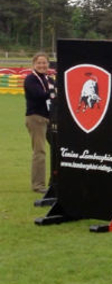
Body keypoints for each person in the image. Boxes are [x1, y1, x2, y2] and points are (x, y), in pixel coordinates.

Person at [23, 52, 55, 193]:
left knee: (56, 148)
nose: (42, 65)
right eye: (39, 63)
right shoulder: (31, 79)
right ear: (34, 65)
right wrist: (54, 92)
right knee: (39, 151)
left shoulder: (48, 79)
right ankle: (38, 185)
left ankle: (54, 181)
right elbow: (38, 95)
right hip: (36, 118)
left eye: (44, 63)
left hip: (49, 118)